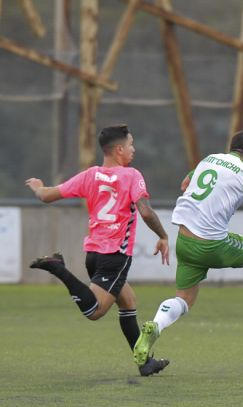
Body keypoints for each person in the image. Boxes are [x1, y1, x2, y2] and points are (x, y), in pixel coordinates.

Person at [132, 129, 243, 368]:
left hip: (185, 241)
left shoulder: (209, 159)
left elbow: (185, 184)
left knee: (184, 299)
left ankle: (156, 325)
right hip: (212, 242)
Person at [25, 124, 171, 376]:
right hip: (115, 256)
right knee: (95, 312)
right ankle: (58, 269)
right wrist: (163, 235)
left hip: (94, 254)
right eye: (131, 145)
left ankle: (145, 362)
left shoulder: (90, 175)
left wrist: (38, 186)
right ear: (118, 149)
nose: (133, 149)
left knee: (128, 302)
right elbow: (145, 210)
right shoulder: (131, 175)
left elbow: (47, 196)